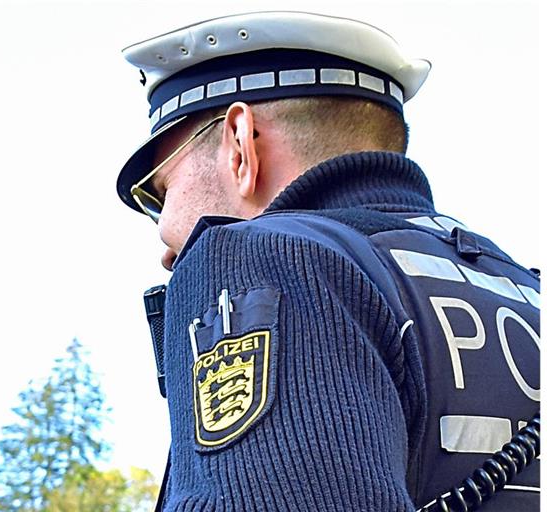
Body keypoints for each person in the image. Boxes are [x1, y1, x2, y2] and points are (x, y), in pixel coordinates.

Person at [114, 11, 540, 512]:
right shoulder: (524, 291)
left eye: (158, 193)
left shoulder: (260, 258)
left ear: (239, 144)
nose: (166, 246)